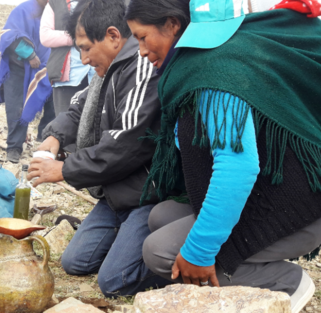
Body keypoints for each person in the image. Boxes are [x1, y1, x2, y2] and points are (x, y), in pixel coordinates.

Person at [125, 0, 321, 311]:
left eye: (142, 36)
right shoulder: (201, 63)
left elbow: (237, 167)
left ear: (173, 25)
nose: (140, 50)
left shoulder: (214, 70)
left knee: (159, 252)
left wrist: (199, 252)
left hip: (293, 206)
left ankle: (286, 283)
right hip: (274, 187)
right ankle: (251, 260)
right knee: (160, 216)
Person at [28, 0, 173, 297]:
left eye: (84, 47)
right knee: (75, 262)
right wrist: (54, 136)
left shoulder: (143, 68)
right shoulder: (105, 73)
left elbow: (126, 144)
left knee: (114, 282)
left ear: (112, 36)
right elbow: (77, 109)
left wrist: (65, 169)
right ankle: (125, 242)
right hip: (115, 193)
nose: (82, 57)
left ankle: (182, 264)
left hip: (146, 194)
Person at [0, 0, 55, 164]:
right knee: (16, 108)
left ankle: (44, 142)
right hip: (18, 68)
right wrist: (29, 54)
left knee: (52, 103)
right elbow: (9, 34)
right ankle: (14, 148)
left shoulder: (53, 11)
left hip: (43, 69)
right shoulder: (23, 10)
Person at [40, 0, 94, 116]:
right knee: (65, 121)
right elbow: (45, 35)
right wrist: (77, 37)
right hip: (67, 77)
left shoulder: (101, 3)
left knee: (95, 122)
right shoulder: (55, 3)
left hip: (96, 73)